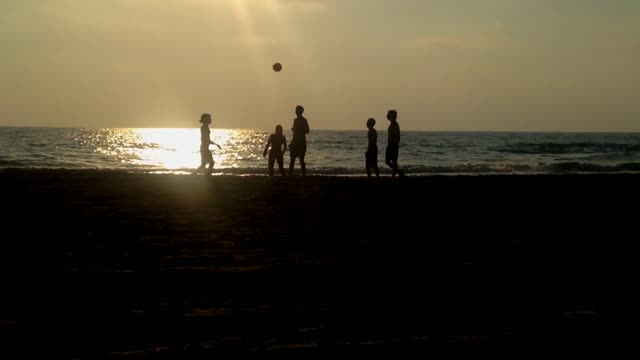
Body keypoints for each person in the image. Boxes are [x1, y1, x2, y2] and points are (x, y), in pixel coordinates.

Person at [289, 105, 310, 176]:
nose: (295, 111)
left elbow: (307, 130)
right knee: (297, 160)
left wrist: (298, 129)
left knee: (296, 160)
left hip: (299, 143)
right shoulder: (299, 120)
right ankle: (300, 174)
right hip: (298, 142)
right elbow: (306, 130)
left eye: (296, 110)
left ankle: (292, 174)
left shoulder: (302, 120)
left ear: (298, 112)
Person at [385, 110, 405, 177]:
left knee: (390, 161)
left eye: (388, 114)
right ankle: (398, 173)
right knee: (392, 161)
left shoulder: (394, 124)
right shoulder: (393, 124)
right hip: (392, 145)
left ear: (392, 116)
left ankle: (398, 173)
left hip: (393, 145)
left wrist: (393, 145)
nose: (386, 116)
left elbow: (396, 136)